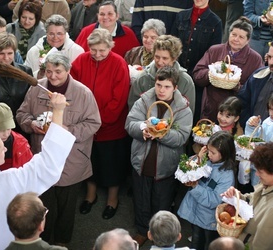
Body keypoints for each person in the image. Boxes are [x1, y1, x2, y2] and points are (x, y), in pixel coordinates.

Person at [0, 93, 76, 250]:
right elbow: (47, 164)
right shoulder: (8, 181)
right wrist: (58, 111)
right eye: (0, 148)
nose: (5, 147)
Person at [16, 52, 101, 245]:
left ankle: (62, 244)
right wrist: (31, 124)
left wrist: (67, 131)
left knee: (66, 208)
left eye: (58, 72)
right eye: (49, 71)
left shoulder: (83, 93)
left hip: (70, 161)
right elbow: (22, 113)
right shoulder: (36, 89)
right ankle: (42, 243)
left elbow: (94, 123)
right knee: (43, 206)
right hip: (42, 158)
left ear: (68, 70)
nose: (53, 76)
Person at [125, 66, 192, 247]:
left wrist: (162, 134)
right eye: (159, 85)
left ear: (175, 88)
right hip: (142, 162)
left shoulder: (183, 109)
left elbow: (181, 138)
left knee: (161, 201)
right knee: (141, 199)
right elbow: (130, 124)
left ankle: (160, 235)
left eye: (167, 86)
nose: (161, 90)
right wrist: (143, 130)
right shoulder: (144, 101)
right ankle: (142, 231)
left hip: (166, 167)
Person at [71, 28, 131, 220]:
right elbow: (73, 88)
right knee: (89, 161)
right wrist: (85, 121)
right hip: (86, 124)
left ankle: (112, 199)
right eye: (94, 50)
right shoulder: (80, 61)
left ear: (110, 47)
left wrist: (98, 122)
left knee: (112, 164)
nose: (97, 54)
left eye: (102, 50)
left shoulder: (119, 63)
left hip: (111, 127)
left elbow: (118, 100)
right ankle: (90, 195)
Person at [192, 17, 263, 122]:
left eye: (241, 37)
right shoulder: (214, 50)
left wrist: (237, 86)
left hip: (236, 113)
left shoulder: (255, 59)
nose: (236, 39)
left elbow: (257, 89)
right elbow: (197, 75)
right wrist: (211, 73)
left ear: (248, 40)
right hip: (210, 109)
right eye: (234, 35)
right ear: (229, 34)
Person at [178, 131, 236, 250]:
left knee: (209, 244)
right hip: (196, 213)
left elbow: (214, 200)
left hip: (209, 220)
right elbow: (190, 166)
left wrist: (195, 186)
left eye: (213, 152)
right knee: (196, 242)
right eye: (208, 150)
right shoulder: (207, 160)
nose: (209, 154)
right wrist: (199, 158)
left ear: (224, 153)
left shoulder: (226, 176)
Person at [221, 142, 273, 250]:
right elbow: (252, 199)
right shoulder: (267, 185)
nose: (257, 174)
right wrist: (236, 196)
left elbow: (261, 246)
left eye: (260, 172)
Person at [128, 35, 196, 113]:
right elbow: (133, 108)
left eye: (165, 58)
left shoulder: (185, 81)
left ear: (174, 58)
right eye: (157, 57)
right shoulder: (142, 78)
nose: (160, 62)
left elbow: (188, 113)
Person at [0, 33, 32, 137]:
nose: (6, 58)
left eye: (10, 53)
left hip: (23, 127)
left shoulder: (26, 71)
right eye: (1, 53)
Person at [171, 0, 222, 76]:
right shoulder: (180, 16)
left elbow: (214, 53)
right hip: (176, 70)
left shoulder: (215, 22)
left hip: (199, 74)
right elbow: (171, 43)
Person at [75, 1, 140, 58]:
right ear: (97, 16)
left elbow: (135, 58)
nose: (105, 17)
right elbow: (77, 54)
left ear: (117, 16)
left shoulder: (128, 34)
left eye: (110, 14)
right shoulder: (86, 31)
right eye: (102, 14)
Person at [238, 43, 273, 128]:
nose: (271, 62)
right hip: (252, 135)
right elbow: (242, 102)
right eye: (269, 57)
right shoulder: (258, 75)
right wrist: (247, 123)